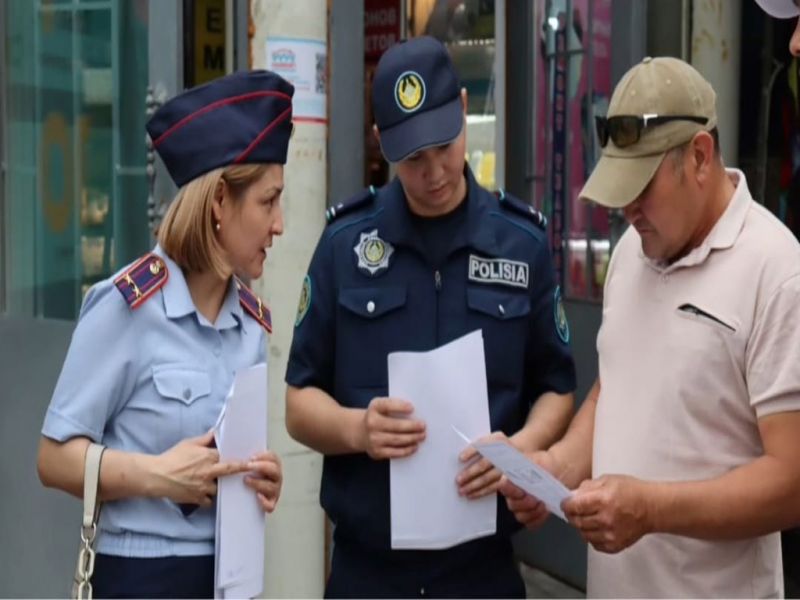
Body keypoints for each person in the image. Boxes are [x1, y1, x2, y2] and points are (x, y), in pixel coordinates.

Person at [285, 35, 576, 599]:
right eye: (413, 158)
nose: (435, 171)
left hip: (482, 571)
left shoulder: (521, 244)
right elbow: (298, 403)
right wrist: (357, 429)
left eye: (445, 145)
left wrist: (522, 451)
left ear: (465, 108)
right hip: (368, 573)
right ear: (382, 143)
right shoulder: (346, 246)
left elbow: (557, 387)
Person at [500, 56, 800, 598]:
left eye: (642, 185)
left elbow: (791, 481)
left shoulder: (776, 269)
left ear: (700, 157)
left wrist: (650, 509)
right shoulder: (630, 255)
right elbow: (615, 385)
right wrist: (556, 467)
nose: (628, 209)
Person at [37, 69, 294, 598]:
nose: (281, 224)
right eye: (268, 202)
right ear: (220, 201)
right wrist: (158, 476)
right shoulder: (127, 307)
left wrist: (259, 479)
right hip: (142, 578)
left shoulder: (251, 323)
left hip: (230, 577)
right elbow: (53, 457)